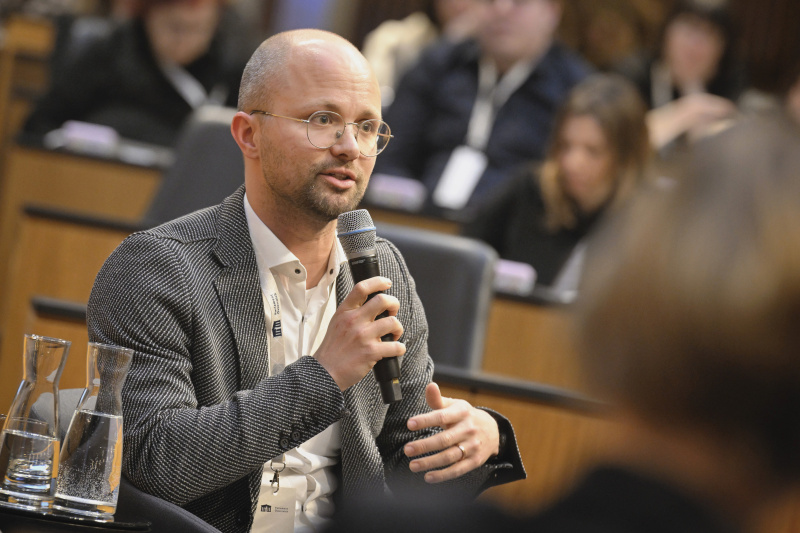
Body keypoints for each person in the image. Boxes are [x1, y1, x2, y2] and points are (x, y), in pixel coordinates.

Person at [87, 28, 525, 533]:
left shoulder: (382, 270)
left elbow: (404, 465)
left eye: (367, 127)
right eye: (323, 120)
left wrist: (481, 438)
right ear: (249, 134)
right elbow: (157, 462)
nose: (350, 147)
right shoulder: (156, 269)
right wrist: (324, 375)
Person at [326, 112, 800, 533]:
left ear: (610, 333)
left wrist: (491, 437)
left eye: (592, 150)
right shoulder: (525, 193)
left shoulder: (381, 526)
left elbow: (407, 455)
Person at [372, 0, 591, 212]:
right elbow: (390, 154)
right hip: (420, 221)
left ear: (552, 11)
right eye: (489, 0)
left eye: (520, 1)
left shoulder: (575, 90)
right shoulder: (439, 65)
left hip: (515, 228)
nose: (501, 9)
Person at [463, 73, 651, 288]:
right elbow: (465, 259)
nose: (572, 163)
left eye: (593, 151)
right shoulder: (530, 188)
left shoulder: (646, 219)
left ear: (625, 157)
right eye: (565, 146)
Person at [22, 0, 250, 147]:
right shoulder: (109, 54)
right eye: (174, 27)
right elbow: (40, 124)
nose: (185, 40)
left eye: (198, 29)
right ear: (148, 15)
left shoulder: (229, 71)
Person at [613, 0, 745, 154]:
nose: (695, 43)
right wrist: (689, 111)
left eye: (709, 33)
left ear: (723, 47)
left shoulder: (731, 82)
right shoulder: (633, 73)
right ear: (666, 31)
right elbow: (618, 140)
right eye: (690, 28)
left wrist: (693, 87)